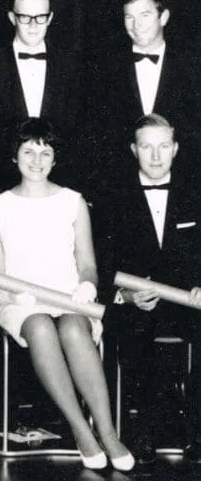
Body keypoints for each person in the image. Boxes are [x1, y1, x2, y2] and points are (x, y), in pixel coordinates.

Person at [0, 118, 134, 472]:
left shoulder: (73, 201)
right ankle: (80, 428)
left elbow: (87, 265)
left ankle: (108, 432)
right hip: (20, 302)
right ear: (15, 156)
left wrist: (86, 286)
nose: (36, 160)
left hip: (69, 296)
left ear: (55, 158)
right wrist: (11, 290)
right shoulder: (0, 205)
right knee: (39, 326)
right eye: (28, 151)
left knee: (71, 327)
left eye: (45, 152)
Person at [94, 114, 201, 464]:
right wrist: (126, 294)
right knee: (133, 332)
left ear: (176, 149)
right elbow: (102, 258)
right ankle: (145, 428)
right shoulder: (113, 198)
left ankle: (195, 426)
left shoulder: (195, 191)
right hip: (136, 303)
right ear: (133, 150)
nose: (155, 156)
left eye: (163, 146)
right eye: (146, 147)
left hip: (189, 301)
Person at [0, 0, 85, 202]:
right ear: (12, 17)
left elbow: (78, 130)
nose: (33, 26)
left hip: (61, 186)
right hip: (3, 187)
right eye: (25, 17)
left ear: (51, 17)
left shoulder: (72, 65)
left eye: (40, 17)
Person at [88, 0, 201, 192]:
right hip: (120, 187)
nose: (136, 25)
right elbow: (97, 131)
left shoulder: (193, 65)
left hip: (187, 186)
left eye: (145, 15)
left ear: (163, 17)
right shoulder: (104, 68)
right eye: (129, 17)